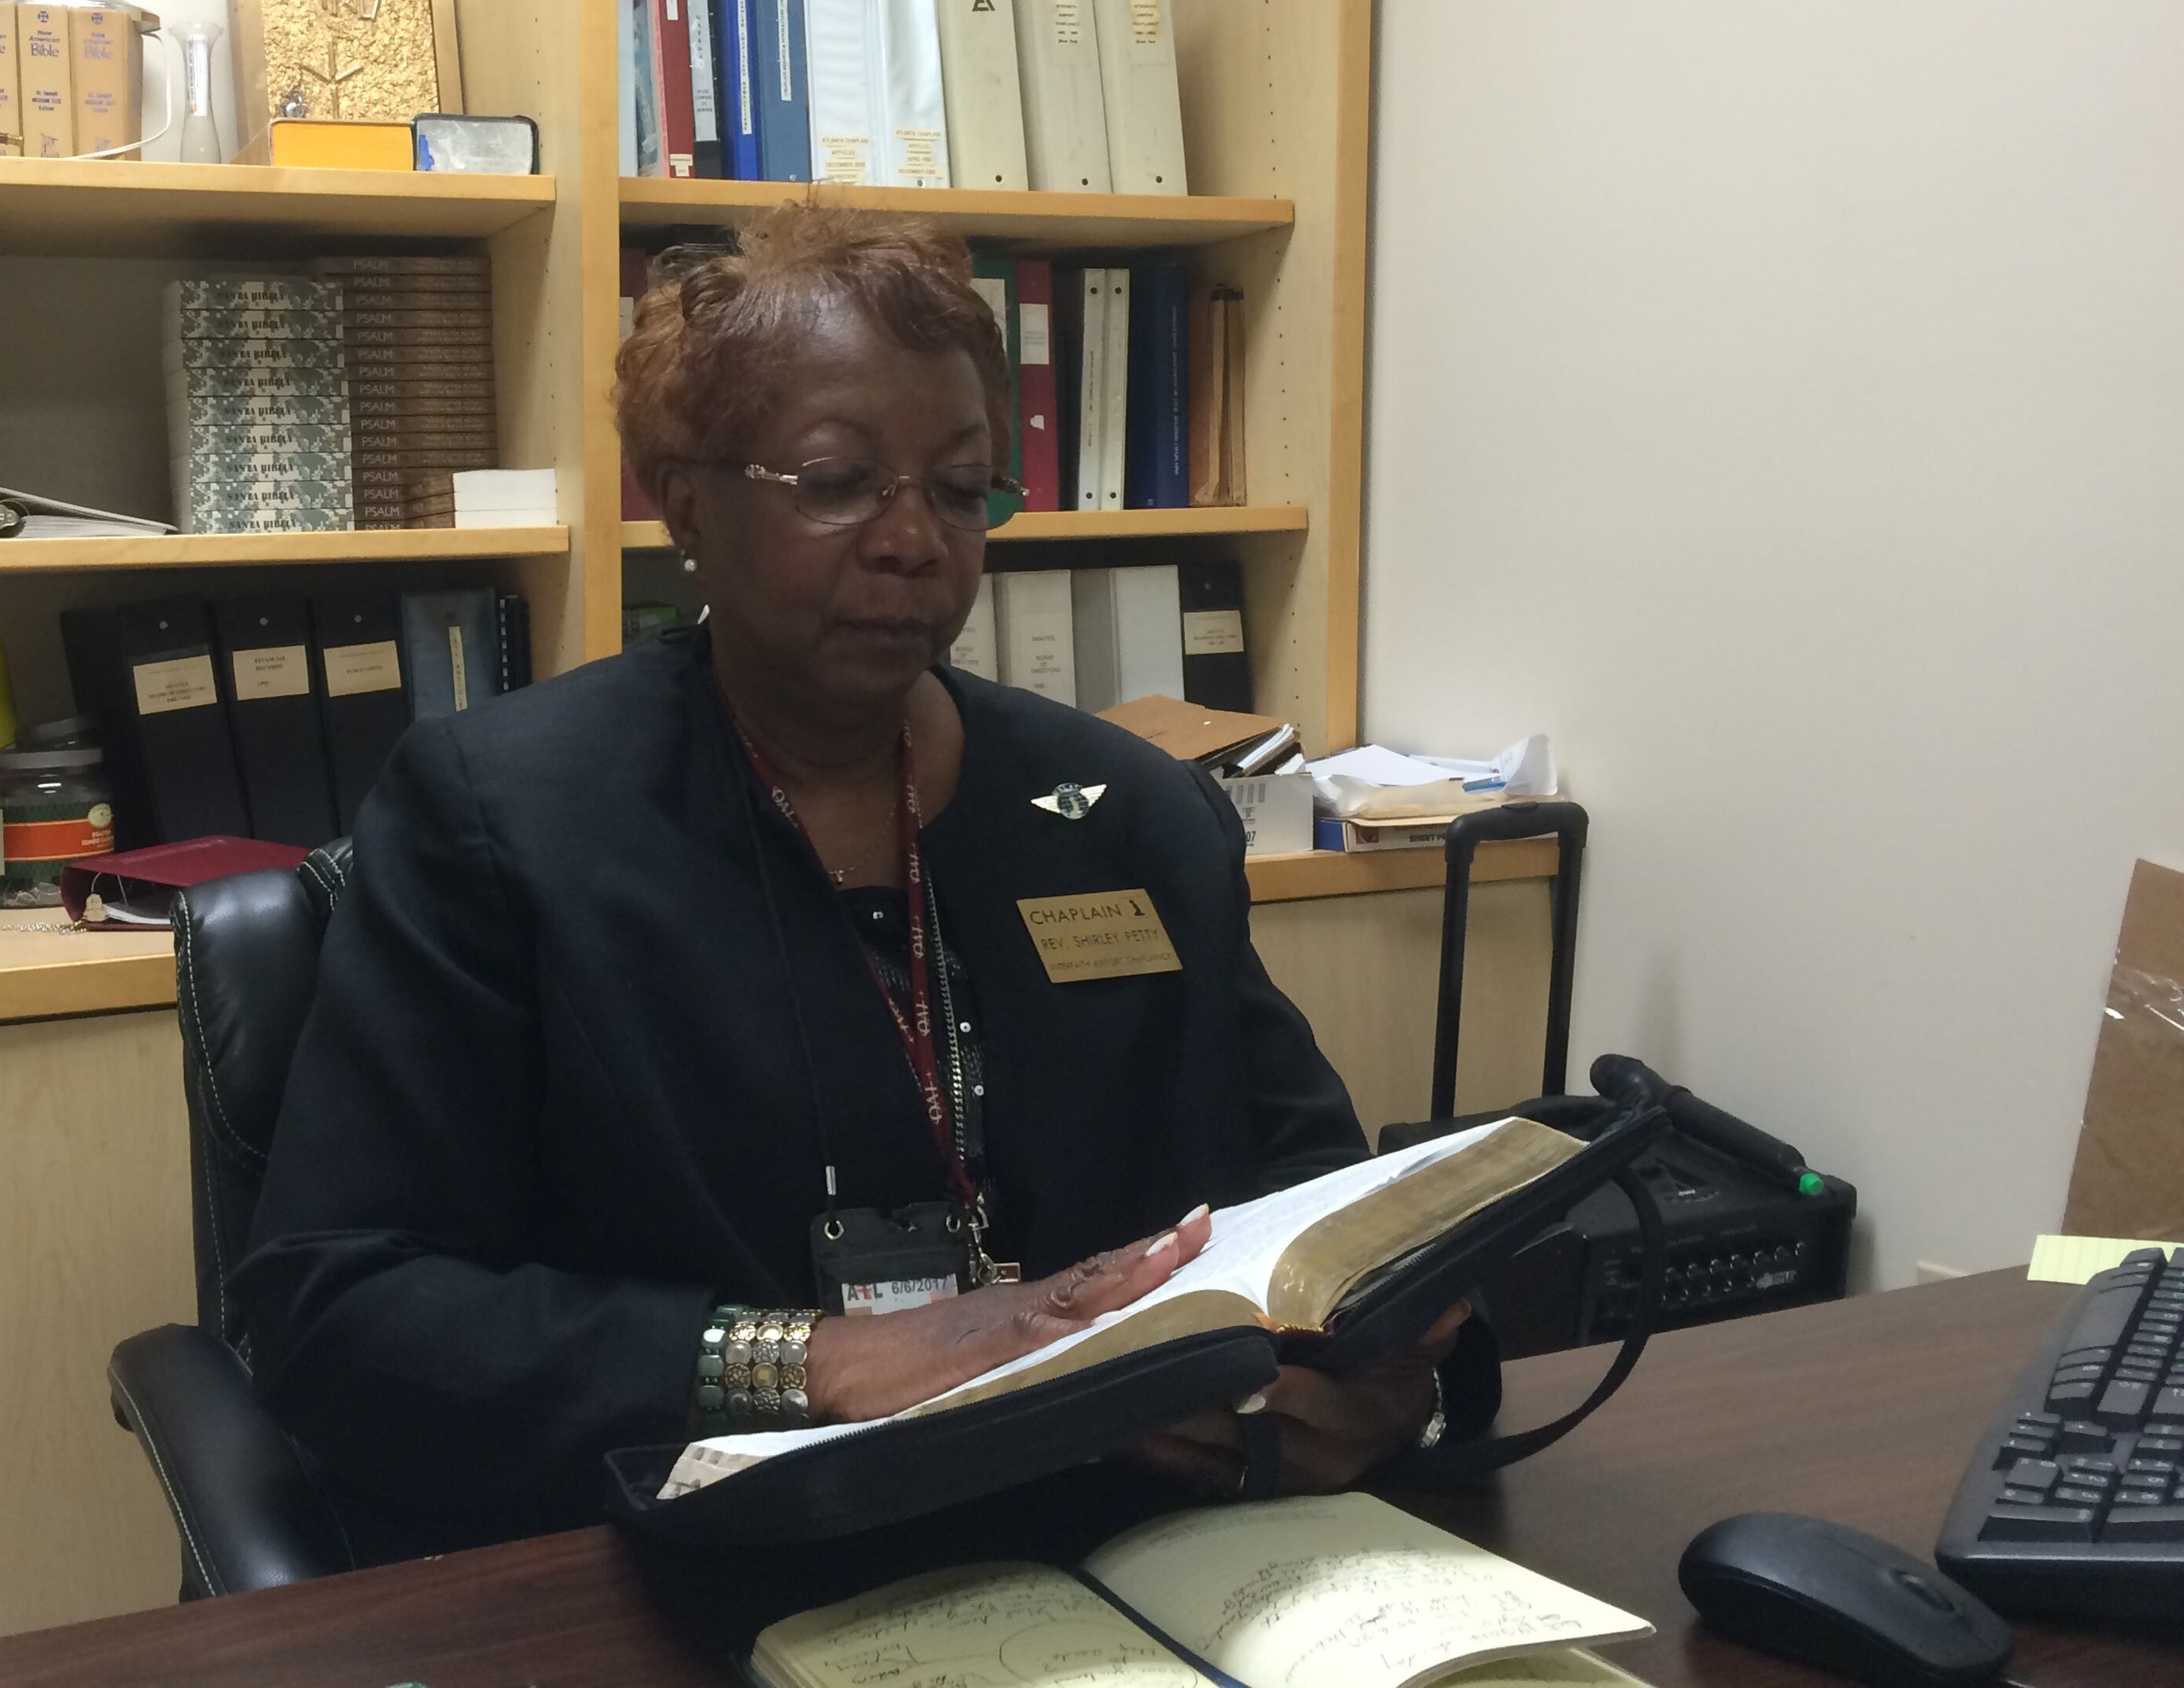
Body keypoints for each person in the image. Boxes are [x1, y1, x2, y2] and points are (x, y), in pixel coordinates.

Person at [231, 203, 1491, 1561]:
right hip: (697, 1556)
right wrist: (817, 1359)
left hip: (1126, 1540)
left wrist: (1377, 1383)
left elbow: (1301, 1198)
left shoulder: (1132, 818)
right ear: (683, 497)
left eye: (961, 489)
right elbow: (338, 1309)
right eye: (838, 481)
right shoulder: (500, 822)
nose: (913, 541)